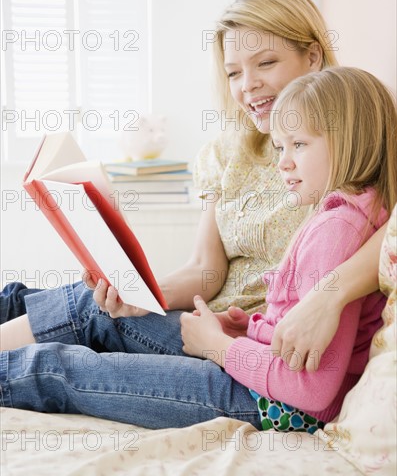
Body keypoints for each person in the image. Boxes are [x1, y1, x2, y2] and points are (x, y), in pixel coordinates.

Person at [0, 0, 387, 364]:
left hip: (245, 343)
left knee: (83, 307)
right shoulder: (228, 151)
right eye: (233, 72)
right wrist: (145, 296)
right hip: (206, 320)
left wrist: (326, 297)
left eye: (266, 63)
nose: (248, 85)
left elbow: (390, 234)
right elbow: (206, 270)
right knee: (27, 298)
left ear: (314, 57)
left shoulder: (352, 144)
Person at [1, 66, 396, 433]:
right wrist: (251, 330)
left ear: (350, 139)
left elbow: (312, 391)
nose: (284, 163)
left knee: (56, 369)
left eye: (299, 145)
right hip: (255, 370)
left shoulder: (337, 230)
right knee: (99, 315)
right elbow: (296, 335)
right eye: (280, 148)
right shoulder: (353, 214)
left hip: (270, 404)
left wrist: (219, 347)